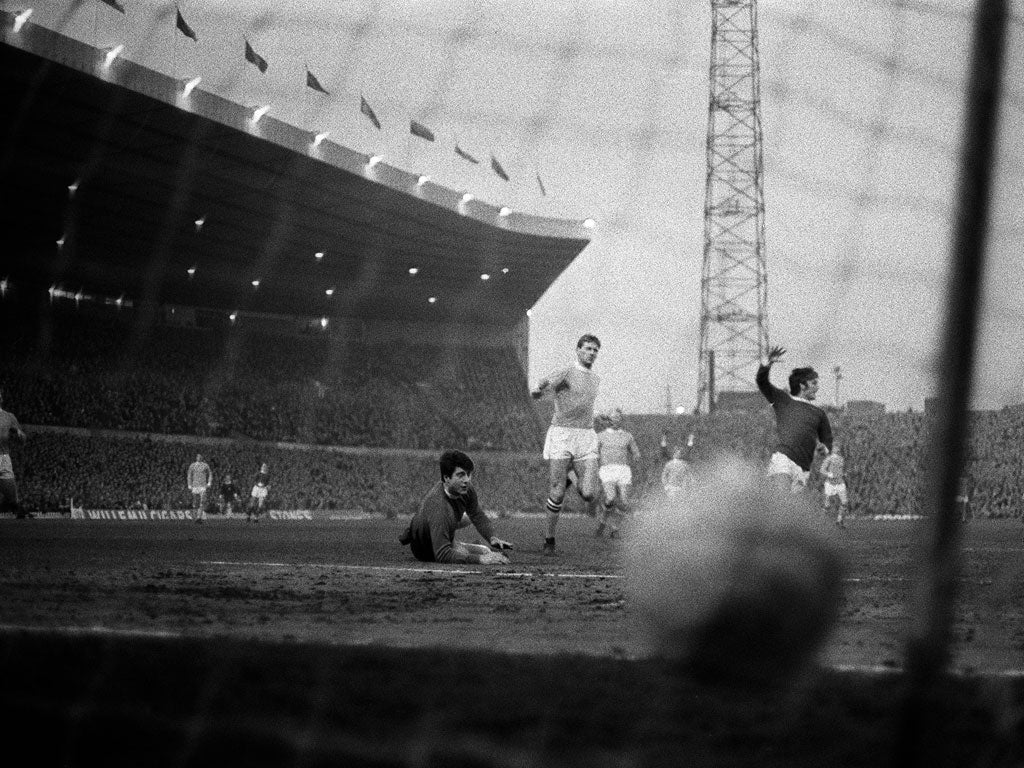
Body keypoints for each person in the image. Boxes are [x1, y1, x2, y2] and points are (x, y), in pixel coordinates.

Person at [531, 333, 602, 554]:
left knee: (590, 493)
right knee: (558, 492)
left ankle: (573, 475)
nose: (591, 353)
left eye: (595, 350)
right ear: (578, 350)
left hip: (586, 435)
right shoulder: (567, 371)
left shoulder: (595, 378)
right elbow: (545, 381)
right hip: (562, 434)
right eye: (588, 348)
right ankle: (549, 538)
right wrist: (537, 389)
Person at [398, 450, 513, 564]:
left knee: (471, 523)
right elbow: (442, 554)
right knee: (478, 553)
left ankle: (415, 529)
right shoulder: (439, 508)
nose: (467, 480)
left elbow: (477, 514)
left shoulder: (466, 488)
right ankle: (415, 530)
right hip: (425, 550)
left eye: (468, 474)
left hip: (437, 522)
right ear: (446, 478)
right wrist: (480, 559)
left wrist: (491, 537)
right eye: (461, 475)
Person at [756, 345, 833, 494]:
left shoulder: (819, 413)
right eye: (814, 383)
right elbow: (762, 382)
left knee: (787, 512)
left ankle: (758, 513)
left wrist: (824, 448)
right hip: (784, 460)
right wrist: (767, 363)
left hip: (803, 470)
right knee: (782, 499)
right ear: (802, 385)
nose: (818, 387)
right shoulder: (783, 401)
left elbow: (827, 439)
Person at [594, 409, 640, 539]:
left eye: (618, 418)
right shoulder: (600, 436)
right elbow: (593, 453)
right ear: (609, 420)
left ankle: (615, 529)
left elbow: (635, 451)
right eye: (613, 418)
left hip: (623, 470)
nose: (615, 420)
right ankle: (602, 522)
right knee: (611, 498)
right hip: (607, 469)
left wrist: (636, 455)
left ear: (621, 420)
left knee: (624, 502)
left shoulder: (627, 436)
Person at [0, 388, 28, 519]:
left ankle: (19, 514)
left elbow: (22, 437)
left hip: (3, 458)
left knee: (11, 495)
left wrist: (20, 434)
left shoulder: (9, 417)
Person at [819, 439, 849, 528]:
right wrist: (829, 474)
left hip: (840, 483)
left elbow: (841, 471)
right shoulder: (828, 459)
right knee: (827, 505)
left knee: (844, 502)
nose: (837, 449)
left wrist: (844, 474)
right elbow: (822, 470)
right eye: (835, 447)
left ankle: (839, 521)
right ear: (832, 449)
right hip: (830, 484)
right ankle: (820, 522)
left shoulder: (841, 459)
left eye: (838, 447)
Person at [186, 453, 213, 523]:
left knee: (202, 501)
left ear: (202, 458)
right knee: (195, 503)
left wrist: (209, 482)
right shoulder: (192, 465)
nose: (199, 458)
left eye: (200, 456)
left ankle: (199, 518)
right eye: (198, 456)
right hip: (195, 486)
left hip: (203, 486)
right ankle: (195, 517)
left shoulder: (205, 465)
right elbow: (189, 475)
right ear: (196, 458)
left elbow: (210, 474)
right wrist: (189, 484)